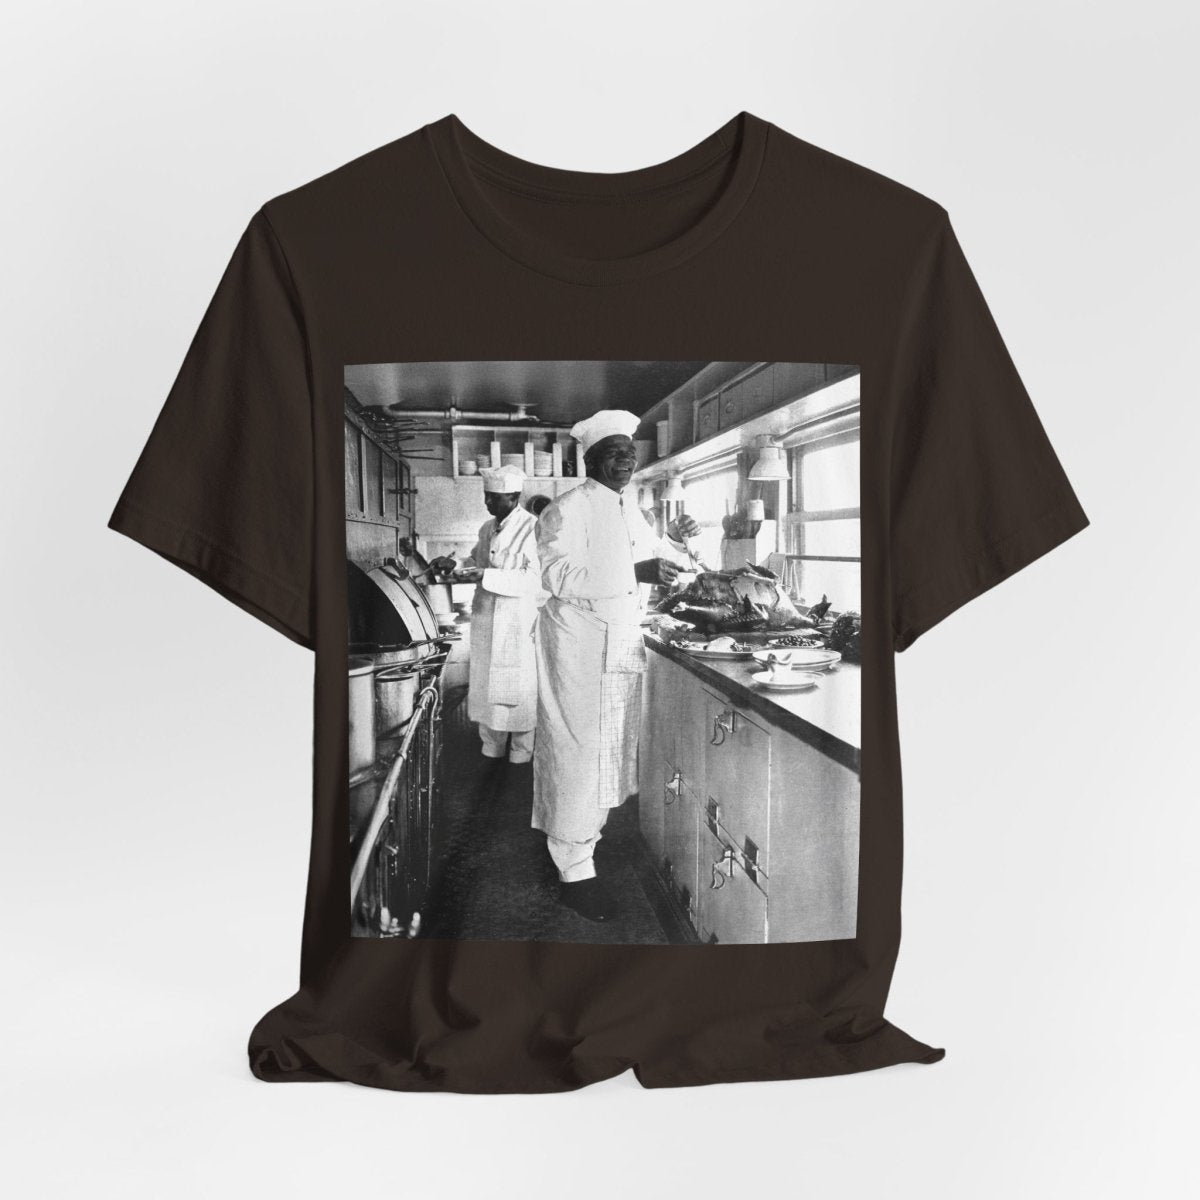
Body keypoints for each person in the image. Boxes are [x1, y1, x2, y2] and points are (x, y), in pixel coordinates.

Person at [533, 411, 700, 922]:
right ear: (589, 459)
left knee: (608, 751)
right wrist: (637, 570)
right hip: (580, 645)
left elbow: (654, 561)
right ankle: (573, 873)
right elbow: (559, 575)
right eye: (613, 452)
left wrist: (675, 541)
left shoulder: (632, 509)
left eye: (630, 452)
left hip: (620, 640)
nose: (626, 460)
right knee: (578, 753)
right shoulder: (565, 509)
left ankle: (586, 848)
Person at [430, 465, 539, 766]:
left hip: (517, 621)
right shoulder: (487, 528)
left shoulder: (533, 528)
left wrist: (486, 575)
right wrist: (455, 565)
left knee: (518, 688)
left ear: (513, 497)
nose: (487, 502)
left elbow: (535, 579)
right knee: (488, 687)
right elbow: (474, 559)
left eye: (494, 497)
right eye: (486, 496)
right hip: (487, 619)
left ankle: (521, 756)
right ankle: (491, 752)